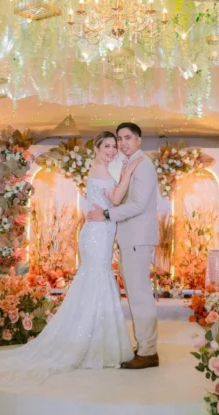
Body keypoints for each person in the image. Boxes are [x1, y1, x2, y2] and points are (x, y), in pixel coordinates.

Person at [0, 131, 136, 412]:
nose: (112, 150)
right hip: (97, 234)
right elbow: (116, 200)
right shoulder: (101, 168)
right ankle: (93, 343)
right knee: (96, 278)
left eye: (114, 146)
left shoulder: (104, 169)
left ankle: (98, 339)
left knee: (98, 279)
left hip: (100, 232)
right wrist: (128, 174)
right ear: (97, 149)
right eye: (107, 145)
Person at [85, 121, 160, 369]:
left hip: (137, 238)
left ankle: (148, 351)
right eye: (120, 139)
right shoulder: (130, 165)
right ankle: (144, 346)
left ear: (139, 139)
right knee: (136, 294)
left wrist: (106, 215)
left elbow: (137, 205)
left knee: (139, 295)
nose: (123, 143)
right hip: (130, 238)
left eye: (128, 138)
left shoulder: (144, 166)